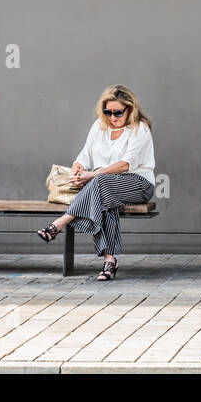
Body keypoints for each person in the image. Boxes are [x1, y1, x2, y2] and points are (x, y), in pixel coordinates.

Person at [34, 84, 157, 282]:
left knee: (101, 183)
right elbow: (84, 155)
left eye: (118, 112)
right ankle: (109, 261)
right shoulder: (99, 127)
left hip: (138, 183)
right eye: (108, 112)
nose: (113, 117)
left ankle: (60, 223)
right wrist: (77, 169)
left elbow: (126, 164)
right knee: (103, 198)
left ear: (130, 109)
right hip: (104, 185)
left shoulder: (139, 129)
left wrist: (92, 176)